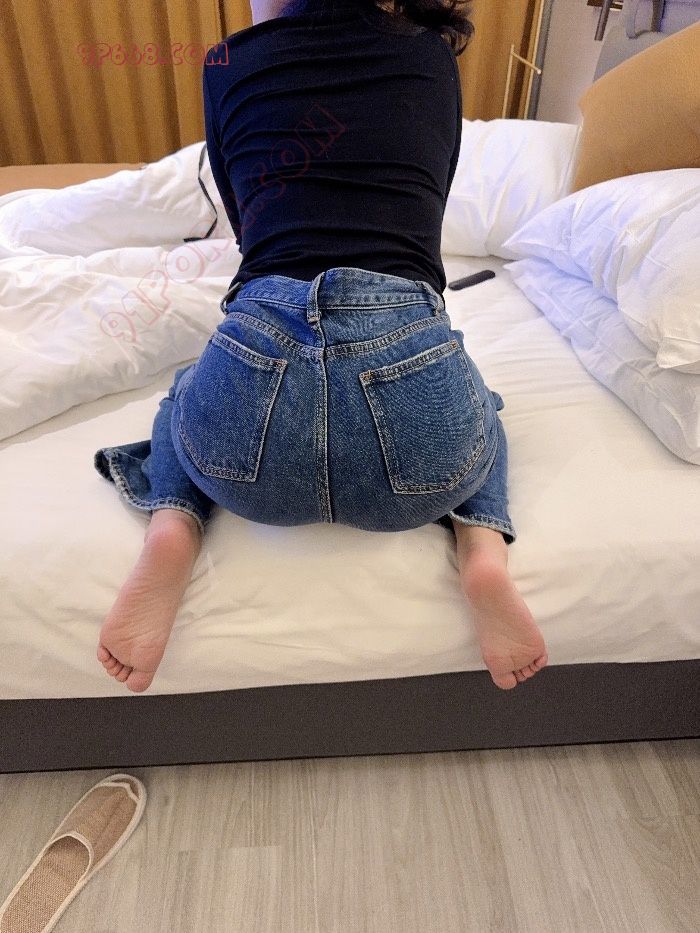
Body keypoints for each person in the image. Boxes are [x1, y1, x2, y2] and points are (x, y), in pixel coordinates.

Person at [94, 0, 548, 694]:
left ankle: (174, 527)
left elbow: (247, 224)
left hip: (245, 450)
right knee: (480, 401)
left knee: (186, 388)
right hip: (415, 437)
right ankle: (482, 548)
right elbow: (426, 204)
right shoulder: (431, 56)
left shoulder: (225, 62)